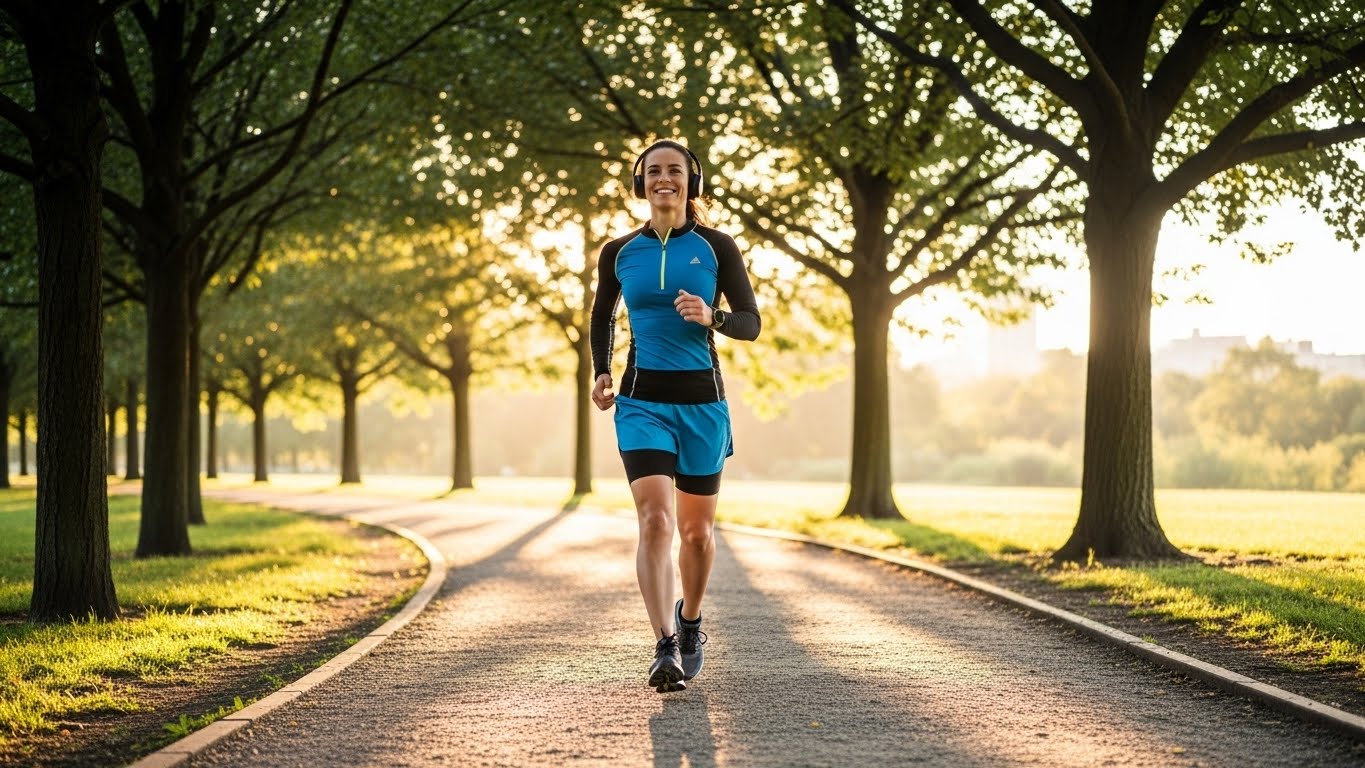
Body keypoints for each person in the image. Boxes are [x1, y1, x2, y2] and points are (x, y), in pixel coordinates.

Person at [589, 139, 762, 693]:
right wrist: (601, 371)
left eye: (675, 171)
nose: (665, 179)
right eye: (654, 172)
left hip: (703, 405)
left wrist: (713, 317)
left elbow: (752, 323)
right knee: (656, 520)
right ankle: (663, 644)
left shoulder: (717, 247)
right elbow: (602, 318)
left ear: (693, 182)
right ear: (642, 183)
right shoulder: (618, 251)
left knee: (696, 533)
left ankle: (690, 623)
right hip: (641, 402)